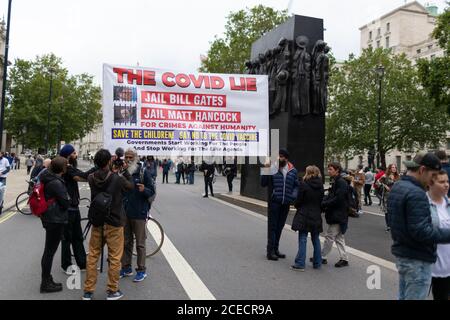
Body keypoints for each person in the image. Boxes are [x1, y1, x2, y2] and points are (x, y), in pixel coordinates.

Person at [388, 152, 450, 300]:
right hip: (418, 259)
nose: (433, 180)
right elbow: (422, 231)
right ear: (422, 170)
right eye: (433, 175)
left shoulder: (399, 186)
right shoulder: (417, 193)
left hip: (404, 253)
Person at [82, 149, 133, 301]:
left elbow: (96, 174)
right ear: (108, 162)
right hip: (114, 221)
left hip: (97, 221)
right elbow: (130, 187)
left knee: (93, 255)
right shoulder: (117, 179)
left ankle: (88, 291)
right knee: (115, 257)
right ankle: (112, 290)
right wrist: (124, 170)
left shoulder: (91, 177)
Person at [59, 144, 96, 274]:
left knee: (78, 237)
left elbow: (81, 177)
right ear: (68, 155)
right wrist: (97, 167)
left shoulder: (70, 167)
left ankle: (82, 264)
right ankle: (66, 265)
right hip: (67, 208)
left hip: (74, 207)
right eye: (74, 153)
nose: (76, 155)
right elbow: (81, 176)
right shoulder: (66, 168)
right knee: (67, 238)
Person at [120, 149, 155, 282]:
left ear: (135, 158)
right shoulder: (123, 173)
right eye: (126, 157)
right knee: (126, 242)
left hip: (139, 213)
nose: (128, 160)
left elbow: (152, 191)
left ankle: (141, 270)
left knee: (140, 244)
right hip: (126, 212)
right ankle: (126, 267)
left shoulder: (143, 172)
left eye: (131, 157)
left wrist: (144, 190)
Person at [39, 156, 70, 293]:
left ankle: (47, 279)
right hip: (55, 219)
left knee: (48, 252)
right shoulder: (56, 183)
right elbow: (65, 202)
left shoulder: (48, 177)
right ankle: (45, 283)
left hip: (50, 218)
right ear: (61, 168)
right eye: (66, 165)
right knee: (49, 252)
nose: (67, 167)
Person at [261, 149, 299, 261]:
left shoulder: (293, 171)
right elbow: (263, 183)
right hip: (274, 202)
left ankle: (276, 249)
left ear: (286, 159)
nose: (278, 159)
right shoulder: (272, 168)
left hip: (286, 203)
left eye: (280, 157)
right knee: (272, 227)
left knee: (280, 227)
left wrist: (293, 196)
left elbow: (296, 185)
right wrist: (266, 167)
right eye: (277, 156)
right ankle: (270, 251)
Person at [291, 166, 324, 271]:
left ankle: (300, 263)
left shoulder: (304, 184)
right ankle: (317, 263)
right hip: (316, 214)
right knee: (316, 239)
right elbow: (321, 201)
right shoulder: (321, 186)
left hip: (304, 214)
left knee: (303, 238)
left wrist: (298, 206)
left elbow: (298, 200)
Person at [321, 162, 350, 268]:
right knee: (339, 238)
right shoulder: (337, 181)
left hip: (338, 214)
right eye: (328, 169)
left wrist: (325, 203)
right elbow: (333, 196)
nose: (329, 171)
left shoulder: (341, 182)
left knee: (329, 236)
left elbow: (338, 199)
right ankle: (344, 258)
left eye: (331, 169)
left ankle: (322, 257)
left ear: (337, 170)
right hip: (339, 213)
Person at [428, 170, 450, 300]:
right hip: (433, 266)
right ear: (430, 183)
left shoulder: (448, 204)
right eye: (442, 182)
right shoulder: (423, 203)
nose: (446, 185)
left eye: (447, 181)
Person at [378, 164, 400, 231]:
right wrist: (385, 186)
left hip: (396, 195)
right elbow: (378, 182)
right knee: (387, 211)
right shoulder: (385, 176)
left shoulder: (398, 176)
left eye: (395, 167)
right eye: (392, 167)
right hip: (387, 195)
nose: (394, 168)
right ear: (389, 168)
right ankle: (388, 225)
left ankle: (393, 224)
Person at [0, 151, 11, 216]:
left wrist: (2, 173)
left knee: (1, 193)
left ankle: (0, 207)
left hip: (2, 178)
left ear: (2, 154)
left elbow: (8, 169)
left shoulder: (5, 160)